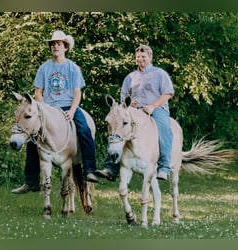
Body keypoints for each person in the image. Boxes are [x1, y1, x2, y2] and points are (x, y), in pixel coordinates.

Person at [12, 30, 98, 194]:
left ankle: (89, 169)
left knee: (84, 129)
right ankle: (31, 181)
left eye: (58, 44)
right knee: (32, 137)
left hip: (68, 106)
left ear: (65, 47)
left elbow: (77, 93)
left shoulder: (73, 68)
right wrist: (44, 110)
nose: (55, 47)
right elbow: (38, 93)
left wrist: (72, 111)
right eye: (53, 44)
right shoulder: (44, 68)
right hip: (49, 108)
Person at [95, 44, 174, 181]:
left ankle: (164, 167)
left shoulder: (159, 74)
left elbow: (167, 94)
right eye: (138, 57)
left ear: (150, 57)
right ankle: (110, 168)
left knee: (164, 129)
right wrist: (130, 105)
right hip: (134, 111)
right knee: (117, 127)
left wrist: (152, 106)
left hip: (156, 109)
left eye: (143, 56)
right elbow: (124, 98)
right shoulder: (130, 77)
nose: (140, 59)